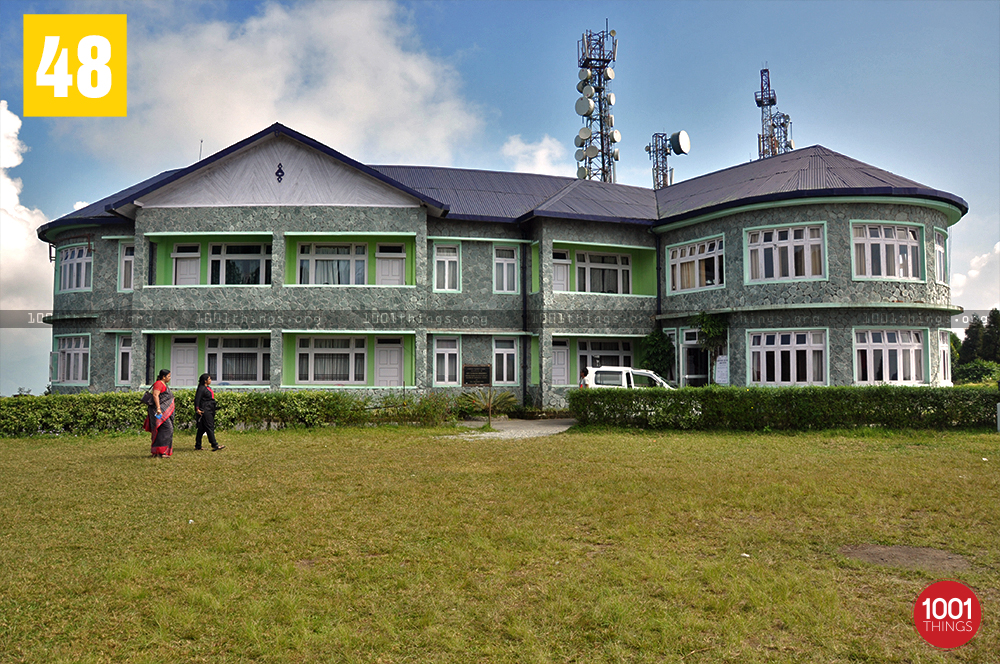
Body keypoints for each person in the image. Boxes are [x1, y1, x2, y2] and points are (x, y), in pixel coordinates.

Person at [144, 369, 175, 458]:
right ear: (164, 377)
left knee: (163, 430)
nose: (169, 378)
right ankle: (161, 451)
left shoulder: (164, 384)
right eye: (168, 376)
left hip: (164, 412)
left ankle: (159, 452)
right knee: (167, 429)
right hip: (159, 411)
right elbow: (155, 395)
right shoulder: (159, 384)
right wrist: (158, 408)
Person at [194, 373, 225, 451]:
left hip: (210, 408)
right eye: (209, 379)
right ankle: (214, 445)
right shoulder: (201, 388)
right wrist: (197, 409)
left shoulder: (207, 388)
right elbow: (197, 399)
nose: (210, 380)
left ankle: (198, 445)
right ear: (205, 381)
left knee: (202, 428)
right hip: (205, 410)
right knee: (209, 426)